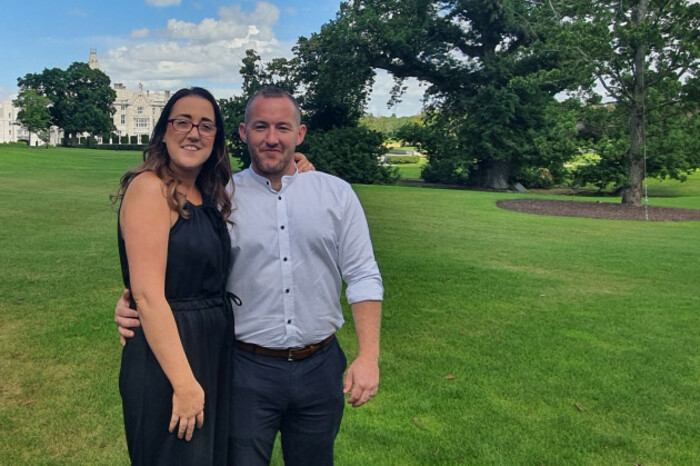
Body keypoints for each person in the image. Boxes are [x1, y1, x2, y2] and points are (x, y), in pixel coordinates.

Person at [116, 86, 383, 466]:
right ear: (243, 133)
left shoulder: (335, 194)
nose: (271, 138)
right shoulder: (222, 196)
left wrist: (368, 356)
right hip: (245, 370)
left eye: (282, 128)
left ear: (300, 134)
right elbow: (180, 264)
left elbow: (363, 274)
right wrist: (133, 299)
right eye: (260, 127)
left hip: (320, 367)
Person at [114, 87, 235, 465]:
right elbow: (148, 296)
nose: (193, 132)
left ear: (216, 140)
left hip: (212, 350)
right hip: (169, 357)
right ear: (164, 131)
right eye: (182, 121)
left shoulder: (206, 194)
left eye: (206, 125)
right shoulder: (149, 189)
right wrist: (183, 384)